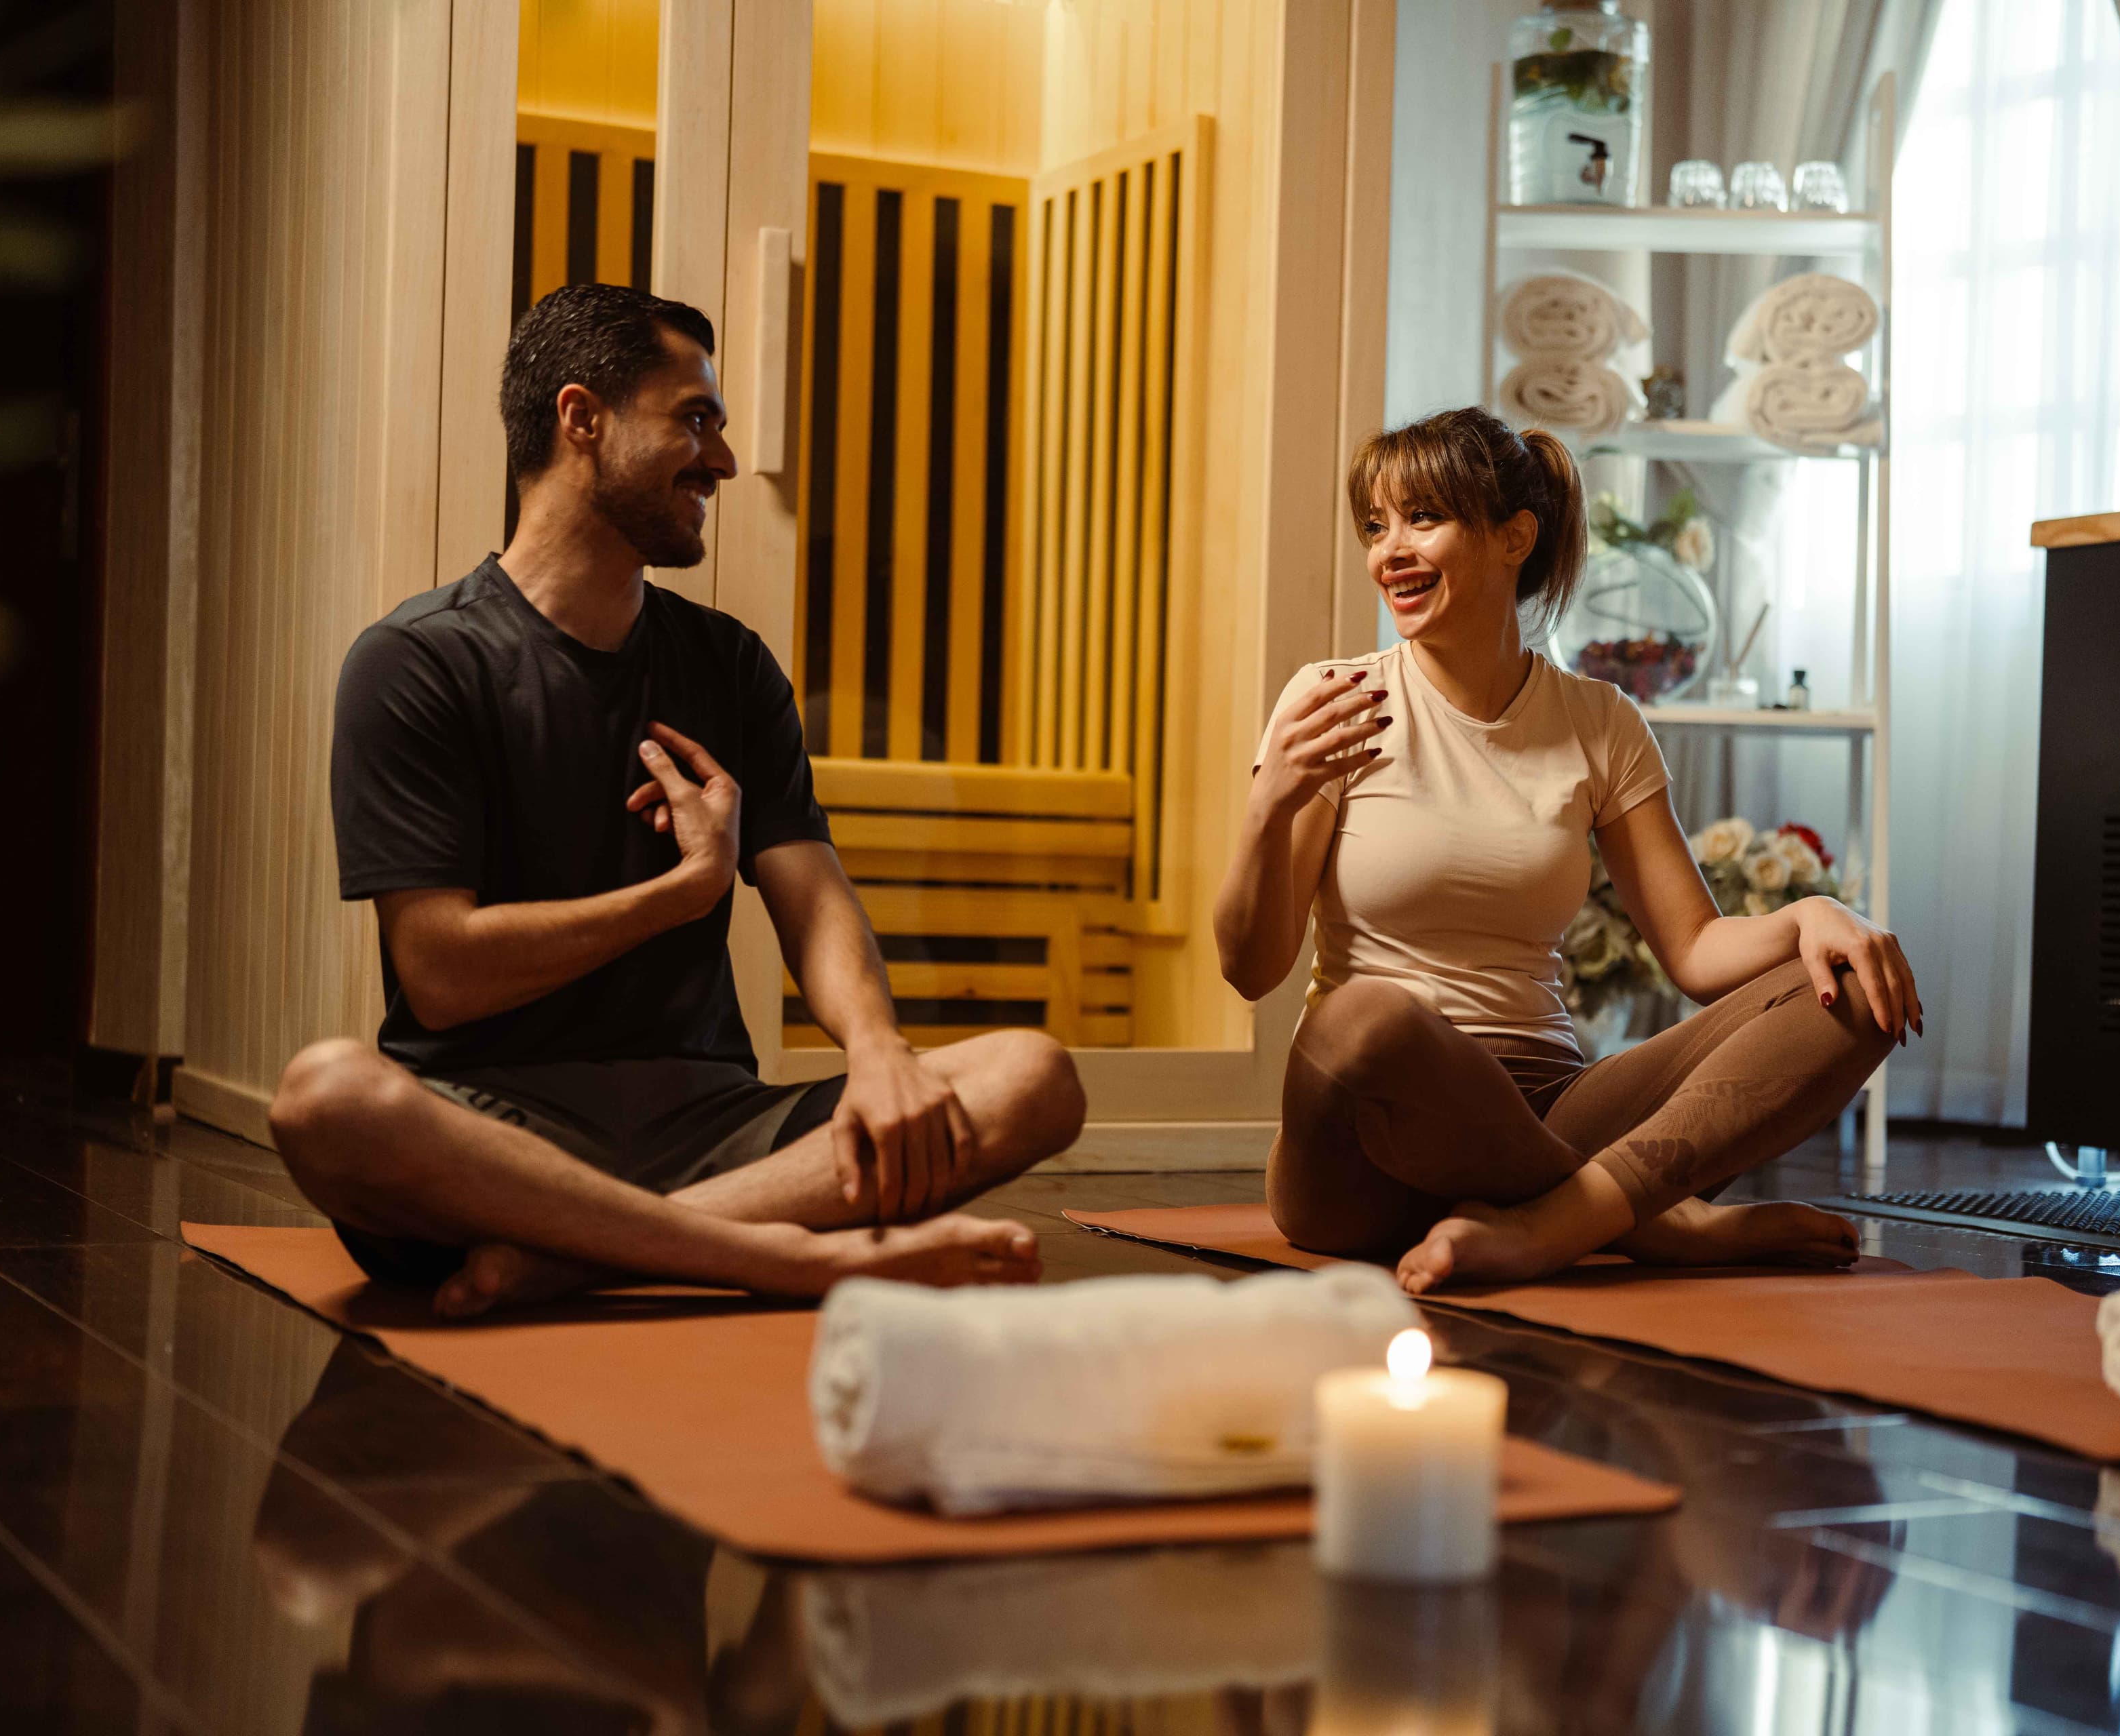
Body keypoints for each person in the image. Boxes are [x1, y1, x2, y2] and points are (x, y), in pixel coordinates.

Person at [268, 283, 1084, 1318]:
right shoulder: (416, 663)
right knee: (328, 1100)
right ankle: (786, 1257)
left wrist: (881, 1053)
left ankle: (584, 1257)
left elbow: (814, 893)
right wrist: (681, 893)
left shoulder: (727, 663)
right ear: (581, 419)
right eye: (693, 419)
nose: (725, 461)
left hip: (711, 1127)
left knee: (1031, 1076)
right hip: (493, 1134)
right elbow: (440, 974)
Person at [1213, 407, 1919, 1295]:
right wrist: (1266, 809)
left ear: (1515, 538)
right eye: (1374, 525)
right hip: (1365, 1150)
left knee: (1854, 984)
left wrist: (1818, 913)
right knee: (1367, 1018)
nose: (1388, 549)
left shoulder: (1599, 721)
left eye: (1422, 518)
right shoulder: (1337, 699)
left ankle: (1558, 1220)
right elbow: (1251, 966)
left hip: (1555, 1104)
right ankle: (1644, 1224)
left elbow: (1697, 953)